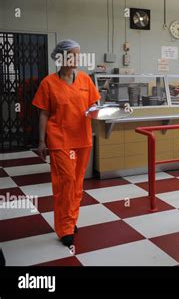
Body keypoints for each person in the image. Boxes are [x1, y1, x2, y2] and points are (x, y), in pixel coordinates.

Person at [32, 40, 100, 248]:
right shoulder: (49, 83)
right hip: (60, 139)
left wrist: (105, 112)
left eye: (78, 55)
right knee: (66, 182)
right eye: (72, 55)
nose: (76, 59)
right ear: (61, 57)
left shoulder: (85, 81)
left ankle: (70, 220)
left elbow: (94, 105)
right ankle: (64, 229)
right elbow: (43, 113)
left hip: (82, 138)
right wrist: (41, 140)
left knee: (78, 183)